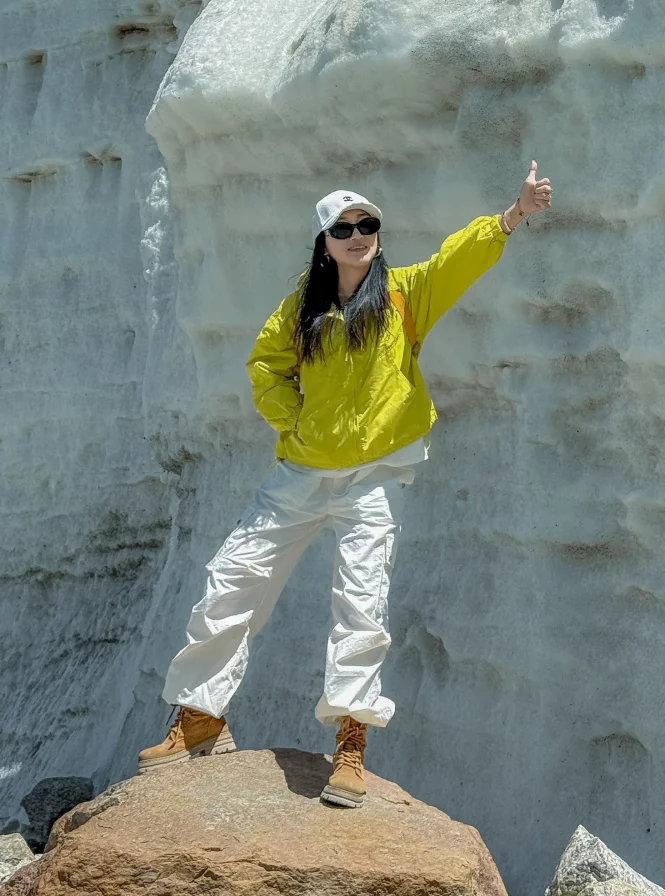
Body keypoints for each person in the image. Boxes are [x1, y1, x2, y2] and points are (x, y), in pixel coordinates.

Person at [137, 161, 553, 806]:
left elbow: (455, 261)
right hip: (301, 472)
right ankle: (199, 721)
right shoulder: (302, 305)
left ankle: (350, 744)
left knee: (361, 604)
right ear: (323, 240)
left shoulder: (403, 294)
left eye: (368, 224)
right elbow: (265, 365)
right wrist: (293, 418)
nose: (359, 234)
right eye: (344, 227)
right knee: (231, 579)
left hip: (374, 477)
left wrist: (513, 214)